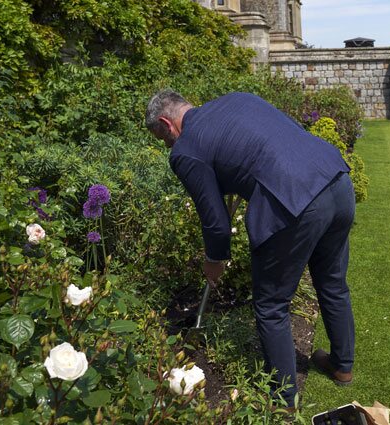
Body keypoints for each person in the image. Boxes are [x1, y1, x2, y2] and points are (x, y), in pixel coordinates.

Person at [145, 89, 356, 405]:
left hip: (296, 202)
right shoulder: (237, 99)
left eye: (165, 139)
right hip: (336, 180)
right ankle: (342, 367)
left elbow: (215, 223)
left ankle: (283, 399)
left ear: (167, 122)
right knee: (332, 283)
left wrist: (214, 259)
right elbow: (260, 148)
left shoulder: (185, 149)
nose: (169, 146)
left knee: (271, 304)